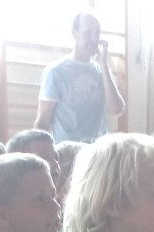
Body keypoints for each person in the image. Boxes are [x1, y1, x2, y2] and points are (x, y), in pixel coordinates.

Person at [35, 11, 124, 143]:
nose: (94, 39)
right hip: (67, 150)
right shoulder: (55, 71)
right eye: (88, 32)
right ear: (74, 34)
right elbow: (43, 121)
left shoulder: (101, 70)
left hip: (97, 150)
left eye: (97, 33)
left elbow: (116, 110)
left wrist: (104, 66)